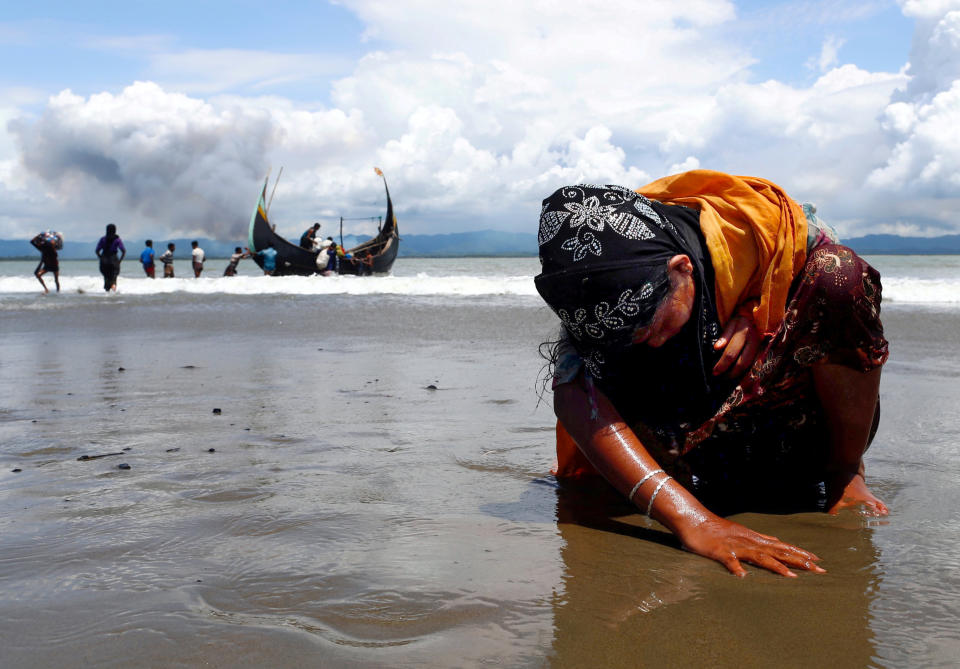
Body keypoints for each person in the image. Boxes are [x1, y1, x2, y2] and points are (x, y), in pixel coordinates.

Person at [535, 171, 889, 578]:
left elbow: (831, 288)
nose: (646, 344)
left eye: (649, 326)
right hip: (686, 452)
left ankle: (845, 474)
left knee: (838, 273)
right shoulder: (596, 282)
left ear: (682, 268)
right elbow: (574, 393)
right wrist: (694, 521)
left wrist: (759, 308)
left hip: (789, 430)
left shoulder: (767, 230)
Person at [95, 223, 126, 292]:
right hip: (114, 260)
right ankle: (113, 294)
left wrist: (101, 258)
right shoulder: (117, 240)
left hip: (104, 261)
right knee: (114, 279)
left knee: (106, 279)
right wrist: (119, 261)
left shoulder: (103, 239)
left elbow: (97, 251)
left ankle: (107, 296)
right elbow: (123, 251)